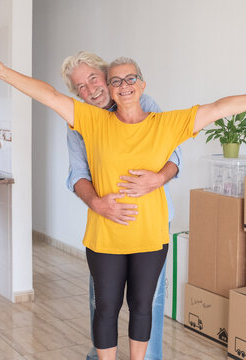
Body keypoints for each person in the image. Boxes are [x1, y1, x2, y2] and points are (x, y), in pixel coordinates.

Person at [0, 54, 246, 360]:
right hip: (105, 236)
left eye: (129, 79)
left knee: (143, 307)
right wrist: (1, 72)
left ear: (142, 85)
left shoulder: (166, 122)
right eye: (116, 81)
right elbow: (48, 95)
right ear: (110, 90)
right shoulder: (89, 120)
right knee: (105, 308)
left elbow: (219, 107)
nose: (123, 86)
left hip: (150, 236)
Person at [60, 51, 179, 360]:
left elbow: (174, 157)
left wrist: (157, 178)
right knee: (103, 302)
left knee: (147, 302)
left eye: (93, 79)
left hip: (149, 225)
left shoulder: (141, 100)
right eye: (80, 87)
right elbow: (77, 175)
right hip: (107, 226)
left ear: (108, 77)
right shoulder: (80, 120)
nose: (89, 90)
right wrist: (97, 203)